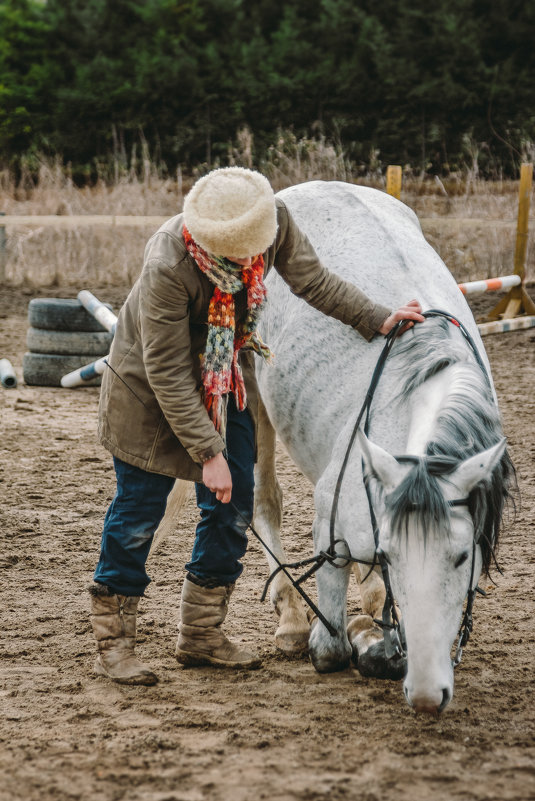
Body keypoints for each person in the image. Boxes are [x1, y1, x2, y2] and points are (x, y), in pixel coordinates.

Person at [89, 167, 424, 685]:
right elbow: (168, 373)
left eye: (256, 249)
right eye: (238, 253)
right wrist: (208, 454)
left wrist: (376, 317)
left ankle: (200, 633)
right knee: (138, 515)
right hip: (150, 397)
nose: (252, 263)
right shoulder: (168, 264)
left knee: (235, 504)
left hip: (226, 379)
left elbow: (314, 281)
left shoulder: (273, 222)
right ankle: (115, 642)